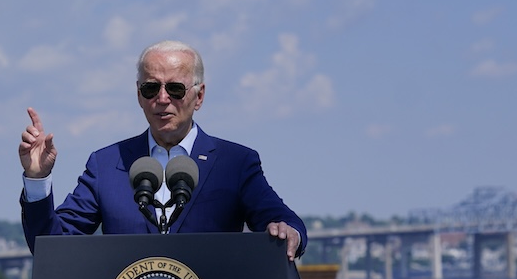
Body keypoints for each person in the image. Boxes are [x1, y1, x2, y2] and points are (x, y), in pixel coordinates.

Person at [18, 40, 307, 260]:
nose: (163, 98)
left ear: (199, 96)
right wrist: (37, 179)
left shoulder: (235, 163)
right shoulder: (106, 165)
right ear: (139, 95)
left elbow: (284, 222)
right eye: (151, 89)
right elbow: (52, 246)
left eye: (176, 89)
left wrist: (288, 232)